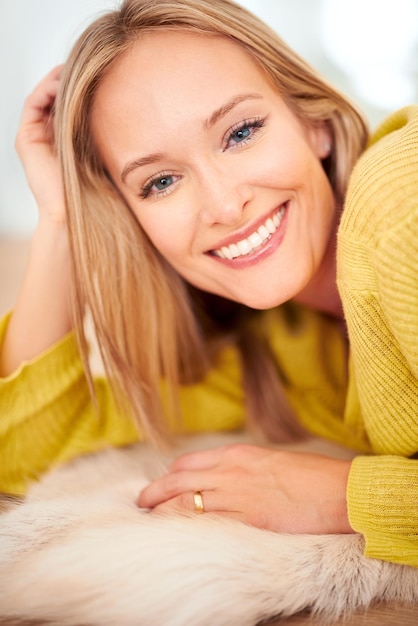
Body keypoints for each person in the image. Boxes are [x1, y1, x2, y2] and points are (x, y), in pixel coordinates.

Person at [1, 0, 417, 568]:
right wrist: (60, 217)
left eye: (241, 132)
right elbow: (24, 451)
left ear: (313, 121)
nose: (224, 205)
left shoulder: (401, 204)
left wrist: (342, 496)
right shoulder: (280, 348)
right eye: (161, 181)